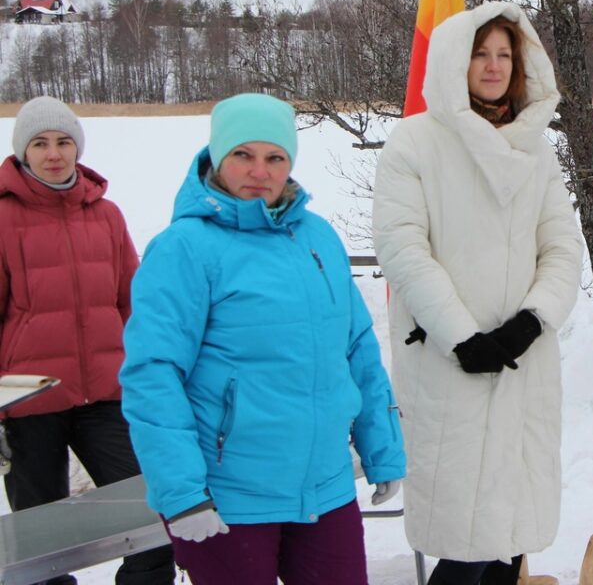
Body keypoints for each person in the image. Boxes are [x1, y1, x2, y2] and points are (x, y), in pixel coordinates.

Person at [119, 93, 406, 585]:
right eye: (243, 155)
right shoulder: (184, 248)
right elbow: (153, 374)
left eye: (275, 157)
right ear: (217, 158)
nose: (260, 171)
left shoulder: (317, 237)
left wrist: (382, 447)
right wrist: (181, 493)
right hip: (228, 496)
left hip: (325, 487)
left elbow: (357, 349)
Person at [373, 3, 582, 585]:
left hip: (522, 361)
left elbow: (562, 246)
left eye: (504, 54)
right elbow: (402, 248)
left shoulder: (535, 148)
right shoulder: (415, 142)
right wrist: (463, 337)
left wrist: (532, 321)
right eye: (480, 53)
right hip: (449, 361)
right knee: (465, 547)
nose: (493, 66)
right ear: (453, 61)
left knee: (508, 540)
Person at [0, 96, 175, 585]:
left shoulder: (106, 214)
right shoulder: (3, 217)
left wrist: (146, 374)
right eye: (40, 143)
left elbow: (130, 303)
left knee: (151, 519)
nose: (54, 154)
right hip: (28, 399)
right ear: (23, 151)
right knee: (40, 542)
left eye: (63, 142)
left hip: (106, 393)